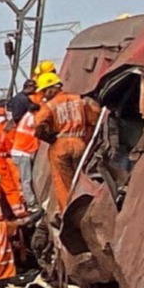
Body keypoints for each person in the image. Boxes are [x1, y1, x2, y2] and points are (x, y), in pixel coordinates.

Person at [38, 73, 101, 210]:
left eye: (44, 90)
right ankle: (90, 207)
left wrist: (50, 138)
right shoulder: (80, 100)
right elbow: (95, 115)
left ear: (51, 88)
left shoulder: (49, 106)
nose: (43, 94)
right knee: (81, 179)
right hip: (80, 144)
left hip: (60, 145)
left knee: (62, 184)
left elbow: (38, 127)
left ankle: (66, 212)